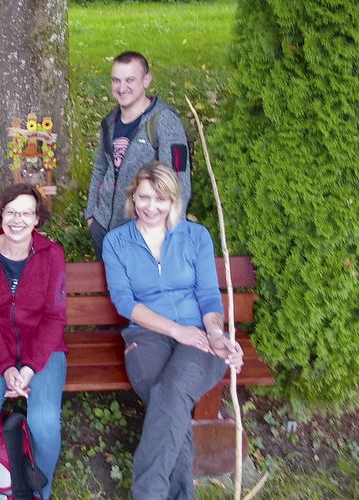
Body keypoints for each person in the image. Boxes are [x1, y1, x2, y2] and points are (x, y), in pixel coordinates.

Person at [101, 162, 243, 499]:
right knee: (170, 403)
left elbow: (209, 296)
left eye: (160, 199)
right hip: (147, 336)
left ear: (173, 201)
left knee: (169, 396)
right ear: (132, 197)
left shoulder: (195, 236)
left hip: (200, 337)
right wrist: (176, 331)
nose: (151, 206)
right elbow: (126, 303)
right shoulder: (117, 242)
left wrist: (215, 334)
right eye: (144, 197)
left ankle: (147, 492)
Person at [0, 183, 68, 500]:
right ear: (1, 215)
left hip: (42, 352)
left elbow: (54, 318)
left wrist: (30, 368)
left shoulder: (52, 255)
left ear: (37, 219)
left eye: (26, 213)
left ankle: (39, 493)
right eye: (11, 212)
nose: (17, 220)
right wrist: (8, 368)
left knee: (45, 422)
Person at [85, 51, 191, 260]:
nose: (122, 88)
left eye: (130, 80)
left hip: (145, 234)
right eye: (116, 80)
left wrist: (168, 231)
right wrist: (91, 215)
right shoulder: (110, 122)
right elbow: (100, 168)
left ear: (146, 80)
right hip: (104, 230)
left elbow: (179, 180)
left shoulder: (164, 122)